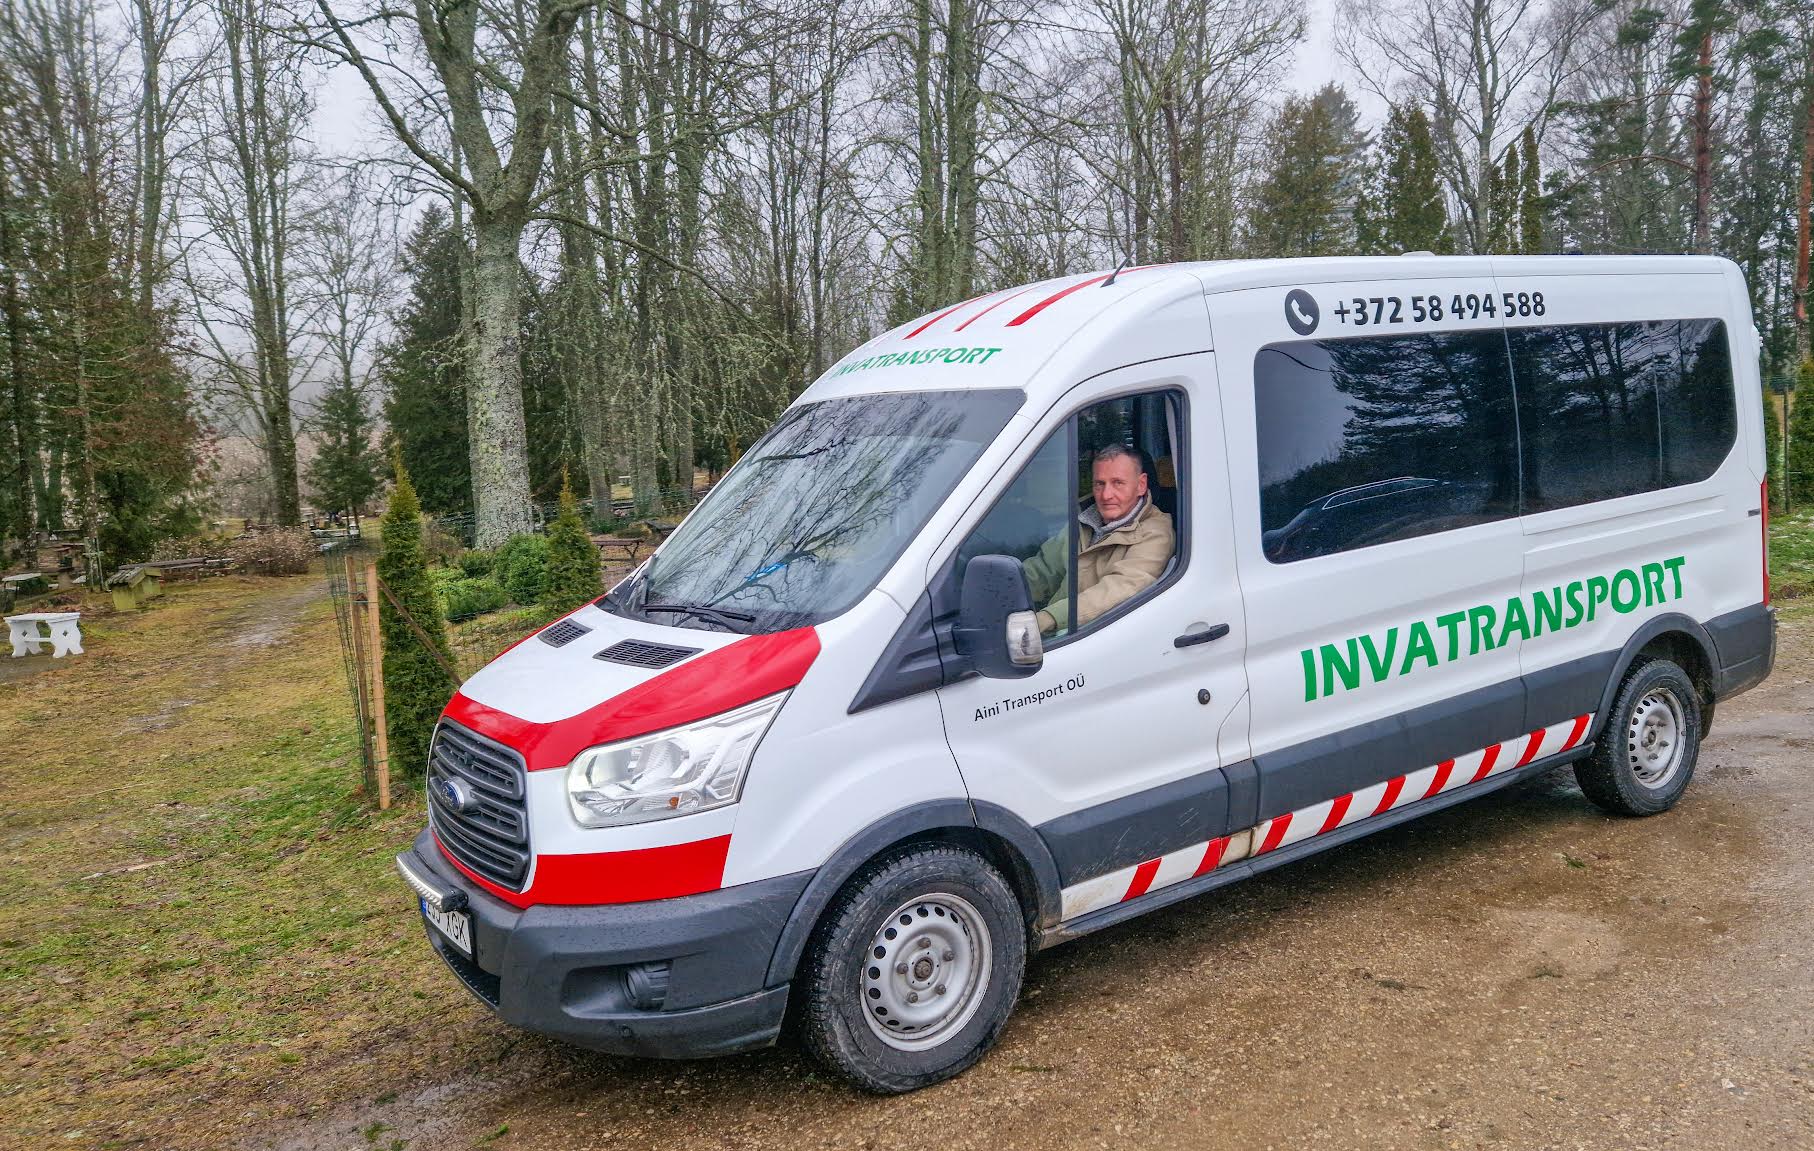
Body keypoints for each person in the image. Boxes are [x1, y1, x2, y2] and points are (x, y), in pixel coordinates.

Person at [1021, 444, 1174, 635]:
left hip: (1097, 639)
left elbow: (1119, 588)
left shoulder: (1156, 532)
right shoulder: (1084, 519)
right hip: (1056, 635)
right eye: (1099, 484)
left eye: (1118, 483)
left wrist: (1047, 618)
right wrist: (1002, 591)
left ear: (1141, 484)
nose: (1106, 495)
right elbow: (1042, 571)